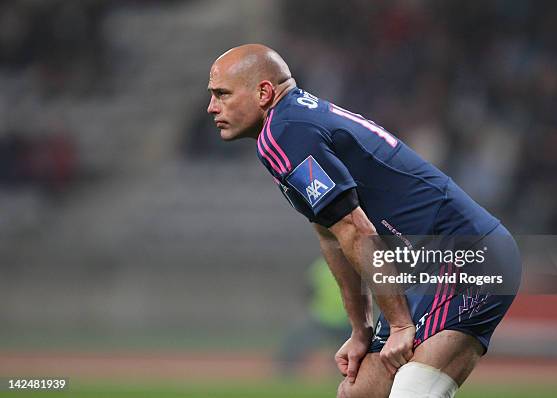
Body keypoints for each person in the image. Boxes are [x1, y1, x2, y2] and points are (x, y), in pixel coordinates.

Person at [206, 44, 521, 398]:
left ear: (264, 92)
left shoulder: (285, 132)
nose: (212, 107)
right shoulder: (290, 124)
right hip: (423, 268)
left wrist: (401, 325)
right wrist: (361, 330)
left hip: (465, 255)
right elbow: (331, 234)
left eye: (222, 94)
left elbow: (356, 230)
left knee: (413, 392)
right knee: (358, 394)